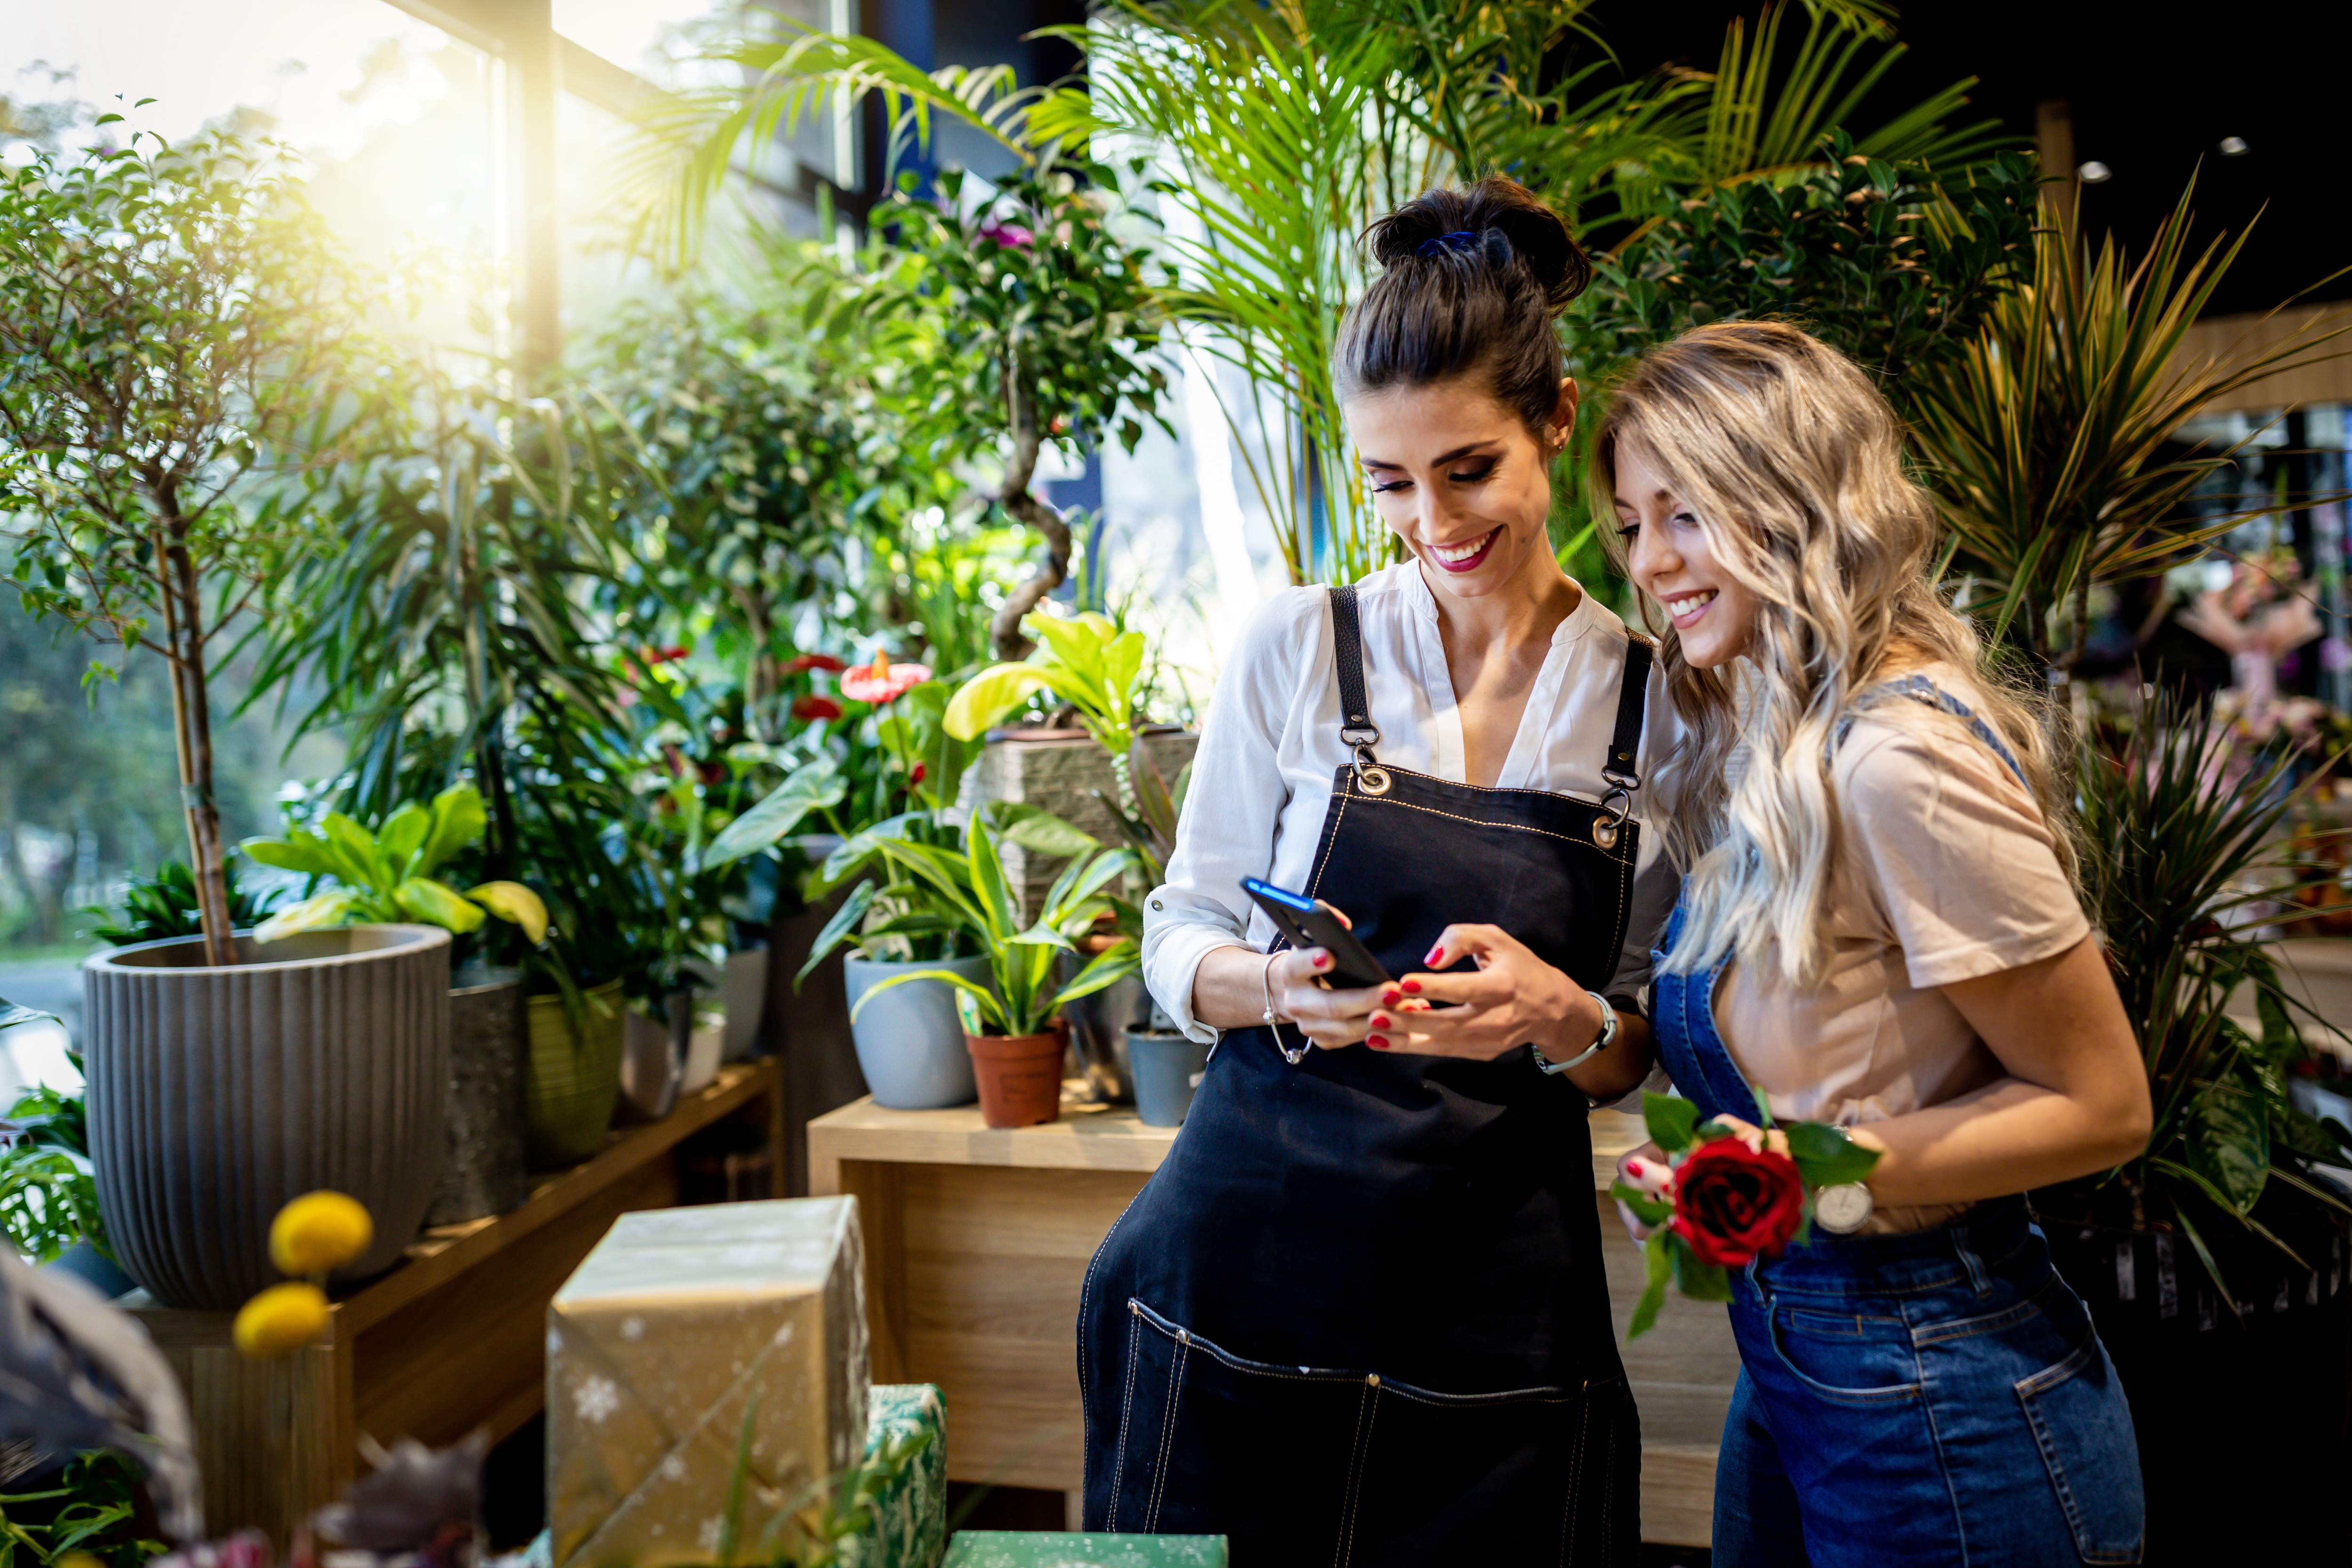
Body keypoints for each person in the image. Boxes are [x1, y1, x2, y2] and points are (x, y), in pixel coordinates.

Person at [1077, 175, 1676, 1566]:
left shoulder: (1657, 704)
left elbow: (1636, 1040)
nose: (1432, 520)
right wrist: (1271, 984)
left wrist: (1558, 1016)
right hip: (1235, 1282)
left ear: (1557, 422)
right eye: (1390, 482)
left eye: (1470, 470)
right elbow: (1179, 936)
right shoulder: (1299, 645)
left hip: (1498, 1316)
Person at [1608, 320, 2154, 1567]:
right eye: (1636, 523)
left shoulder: (1896, 752)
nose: (1649, 561)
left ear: (1787, 502)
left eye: (1682, 512)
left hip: (1943, 1385)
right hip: (1808, 1356)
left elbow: (2105, 1103)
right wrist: (1727, 1175)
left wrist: (1798, 1170)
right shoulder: (1795, 740)